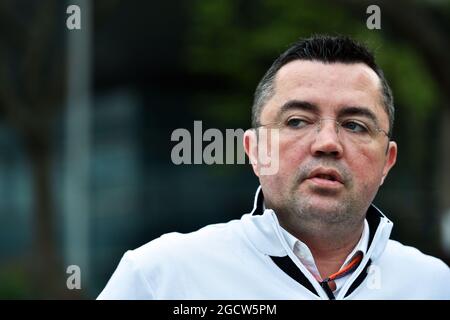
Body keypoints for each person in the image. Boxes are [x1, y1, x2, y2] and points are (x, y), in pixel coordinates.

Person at [98, 35, 450, 299]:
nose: (327, 142)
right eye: (297, 121)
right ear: (254, 150)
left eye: (355, 125)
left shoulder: (434, 285)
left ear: (387, 161)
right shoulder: (161, 277)